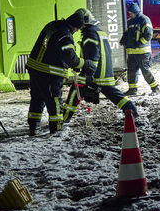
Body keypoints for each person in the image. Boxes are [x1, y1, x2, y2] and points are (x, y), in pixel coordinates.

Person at [63, 11, 138, 123]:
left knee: (75, 90)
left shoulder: (89, 34)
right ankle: (130, 108)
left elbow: (93, 56)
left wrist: (89, 75)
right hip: (104, 73)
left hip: (95, 74)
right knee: (113, 93)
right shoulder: (99, 32)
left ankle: (64, 119)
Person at [25, 8, 86, 136]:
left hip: (34, 68)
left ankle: (33, 127)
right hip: (49, 72)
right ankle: (57, 127)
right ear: (75, 27)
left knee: (37, 98)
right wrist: (82, 63)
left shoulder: (53, 25)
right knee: (54, 100)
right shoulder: (65, 35)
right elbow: (70, 56)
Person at [120, 2, 160, 95]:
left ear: (135, 11)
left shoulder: (144, 20)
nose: (130, 14)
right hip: (132, 52)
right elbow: (126, 33)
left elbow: (148, 35)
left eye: (131, 12)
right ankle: (132, 90)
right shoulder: (130, 21)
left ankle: (155, 88)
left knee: (145, 71)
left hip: (143, 52)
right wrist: (123, 40)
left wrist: (138, 43)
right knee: (131, 71)